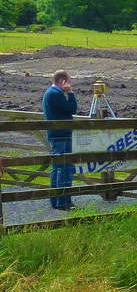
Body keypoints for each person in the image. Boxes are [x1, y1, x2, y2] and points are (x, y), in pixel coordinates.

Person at [42, 70, 78, 210]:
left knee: (57, 167)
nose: (71, 83)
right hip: (61, 134)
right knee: (64, 168)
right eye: (69, 80)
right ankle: (64, 202)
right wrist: (70, 93)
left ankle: (56, 201)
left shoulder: (50, 93)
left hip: (55, 134)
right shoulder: (56, 94)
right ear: (62, 81)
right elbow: (72, 108)